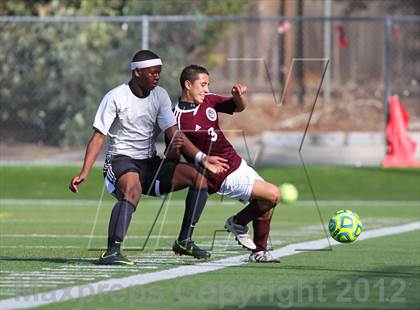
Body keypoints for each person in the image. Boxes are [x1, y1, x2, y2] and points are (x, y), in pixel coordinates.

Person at [69, 51, 229, 265]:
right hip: (121, 160)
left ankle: (184, 241)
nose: (157, 77)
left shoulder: (160, 95)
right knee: (132, 190)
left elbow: (173, 131)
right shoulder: (116, 96)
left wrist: (201, 158)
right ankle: (112, 252)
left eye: (159, 73)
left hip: (149, 162)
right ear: (137, 72)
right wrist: (84, 172)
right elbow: (99, 137)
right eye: (152, 73)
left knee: (200, 178)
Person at [171, 64, 283, 262]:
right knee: (273, 194)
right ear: (188, 85)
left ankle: (259, 252)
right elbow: (176, 150)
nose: (206, 89)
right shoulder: (176, 118)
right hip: (220, 173)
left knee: (266, 203)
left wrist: (239, 95)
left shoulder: (209, 100)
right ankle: (237, 223)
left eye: (208, 84)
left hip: (236, 162)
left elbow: (239, 107)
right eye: (202, 84)